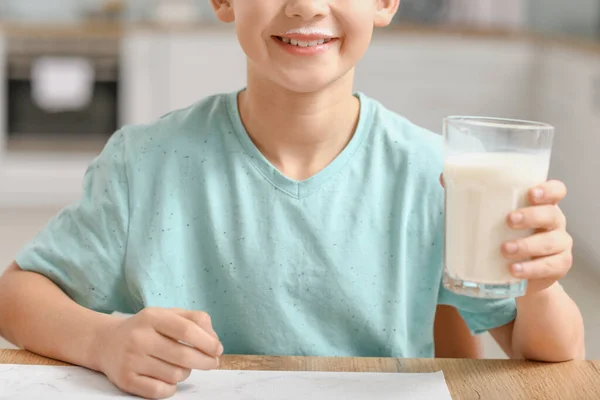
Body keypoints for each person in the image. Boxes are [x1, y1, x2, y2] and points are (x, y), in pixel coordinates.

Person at [0, 0, 584, 399]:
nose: (305, 3)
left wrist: (539, 282)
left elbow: (554, 359)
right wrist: (102, 341)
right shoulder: (144, 163)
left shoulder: (437, 174)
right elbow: (16, 294)